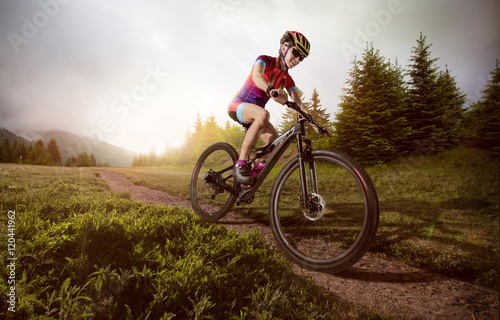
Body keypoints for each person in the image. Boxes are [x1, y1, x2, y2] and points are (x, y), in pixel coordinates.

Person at [228, 30, 323, 184]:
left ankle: (252, 171)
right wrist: (270, 89)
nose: (298, 59)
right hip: (238, 105)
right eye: (296, 52)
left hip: (257, 115)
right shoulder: (264, 60)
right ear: (284, 47)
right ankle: (241, 164)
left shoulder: (288, 79)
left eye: (302, 57)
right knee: (263, 115)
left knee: (275, 143)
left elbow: (298, 103)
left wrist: (316, 125)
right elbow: (256, 75)